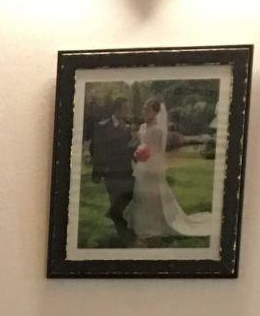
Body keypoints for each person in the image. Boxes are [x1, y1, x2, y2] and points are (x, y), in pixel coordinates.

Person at [128, 97, 215, 242]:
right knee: (140, 195)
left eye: (147, 110)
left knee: (152, 196)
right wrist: (138, 153)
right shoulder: (143, 127)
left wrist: (144, 155)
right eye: (144, 109)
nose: (144, 112)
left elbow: (156, 152)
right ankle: (140, 225)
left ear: (155, 112)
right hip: (142, 166)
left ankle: (154, 226)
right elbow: (138, 143)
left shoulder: (158, 130)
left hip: (151, 166)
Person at [86, 98, 138, 244]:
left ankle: (113, 215)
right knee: (115, 200)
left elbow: (129, 148)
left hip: (126, 170)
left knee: (130, 193)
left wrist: (138, 155)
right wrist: (101, 168)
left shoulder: (127, 128)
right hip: (110, 172)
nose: (127, 111)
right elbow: (95, 148)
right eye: (125, 108)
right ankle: (124, 235)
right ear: (117, 109)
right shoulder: (102, 126)